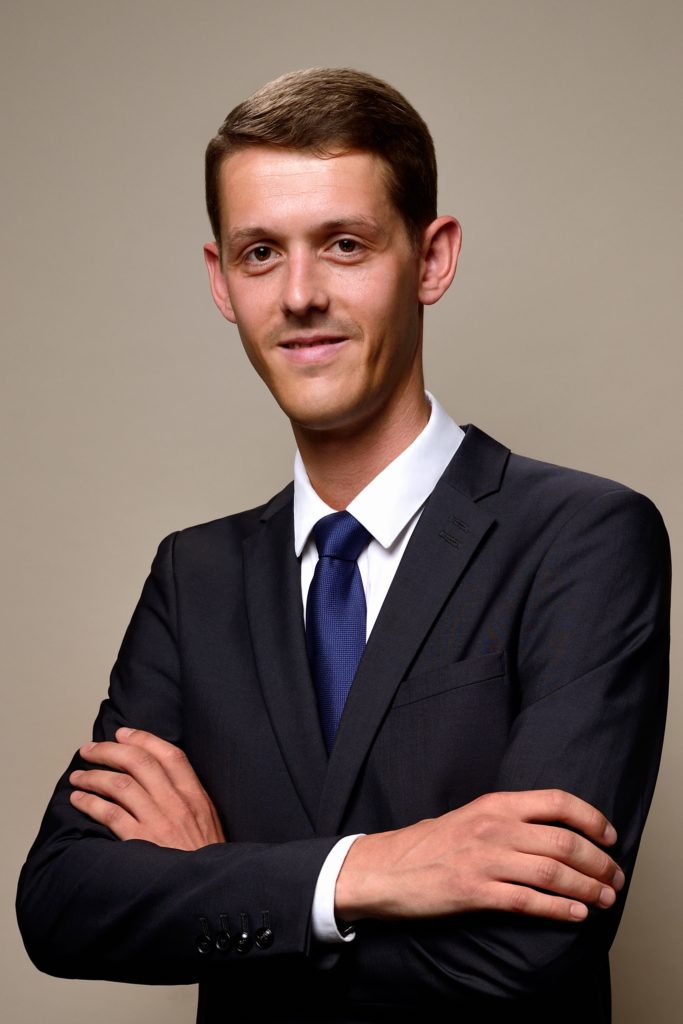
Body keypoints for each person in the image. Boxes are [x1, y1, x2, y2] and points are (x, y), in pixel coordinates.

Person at [17, 68, 670, 1024]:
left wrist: (215, 882)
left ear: (431, 258)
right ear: (219, 281)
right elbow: (62, 907)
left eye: (345, 244)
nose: (299, 295)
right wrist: (376, 870)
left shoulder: (582, 538)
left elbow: (528, 952)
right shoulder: (193, 578)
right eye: (259, 254)